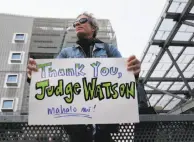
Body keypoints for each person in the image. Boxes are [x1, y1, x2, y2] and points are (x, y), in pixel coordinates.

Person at [27, 12, 141, 142]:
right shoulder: (66, 53)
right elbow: (51, 82)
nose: (77, 24)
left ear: (93, 28)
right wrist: (34, 77)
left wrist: (134, 74)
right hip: (76, 129)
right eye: (75, 23)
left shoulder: (110, 50)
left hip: (104, 128)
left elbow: (124, 82)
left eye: (82, 20)